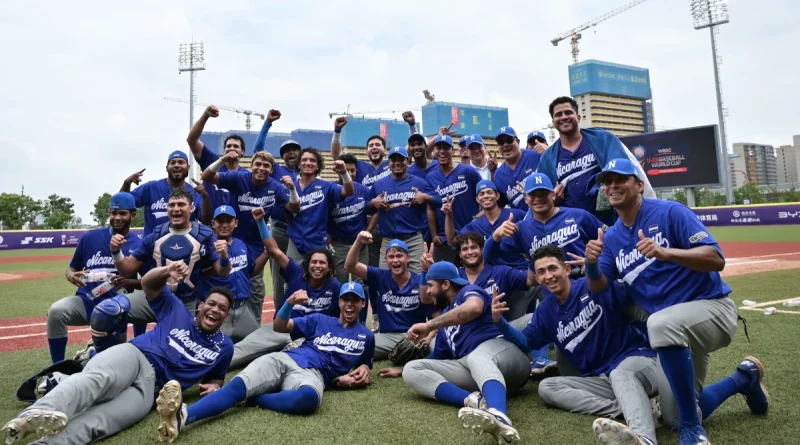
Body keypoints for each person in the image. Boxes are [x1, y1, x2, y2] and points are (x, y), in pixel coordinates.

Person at [584, 159, 770, 444]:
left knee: (658, 323)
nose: (611, 186)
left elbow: (716, 259)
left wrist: (666, 253)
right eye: (606, 182)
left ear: (639, 185)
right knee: (673, 417)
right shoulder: (612, 238)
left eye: (619, 179)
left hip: (713, 310)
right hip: (673, 332)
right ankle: (744, 379)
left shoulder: (671, 212)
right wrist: (592, 264)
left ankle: (694, 431)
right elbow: (600, 289)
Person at [1, 262, 234, 445]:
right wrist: (166, 271)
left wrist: (214, 386)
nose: (215, 310)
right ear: (202, 305)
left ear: (226, 317)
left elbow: (214, 378)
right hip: (136, 356)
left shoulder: (224, 347)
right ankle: (31, 417)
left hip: (150, 391)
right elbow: (150, 285)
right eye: (211, 304)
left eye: (222, 309)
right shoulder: (178, 311)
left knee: (104, 421)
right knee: (97, 380)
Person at [154, 282, 375, 442]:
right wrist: (288, 303)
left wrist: (362, 371)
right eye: (346, 299)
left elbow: (364, 367)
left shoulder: (367, 337)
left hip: (312, 374)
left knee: (309, 399)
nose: (349, 304)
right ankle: (183, 418)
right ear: (339, 301)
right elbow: (280, 325)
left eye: (355, 301)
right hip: (285, 358)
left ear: (363, 304)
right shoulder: (320, 319)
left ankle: (256, 399)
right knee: (237, 386)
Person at [493, 245, 661, 445]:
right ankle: (631, 408)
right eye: (541, 272)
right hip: (603, 379)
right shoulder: (546, 310)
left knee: (620, 373)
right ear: (537, 279)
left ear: (565, 269)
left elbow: (629, 291)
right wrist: (499, 322)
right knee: (548, 387)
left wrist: (595, 268)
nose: (548, 275)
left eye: (552, 268)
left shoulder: (591, 285)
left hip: (639, 362)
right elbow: (526, 342)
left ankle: (645, 439)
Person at [402, 262, 530, 445]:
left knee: (477, 357)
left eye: (430, 285)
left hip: (506, 356)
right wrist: (400, 370)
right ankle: (475, 402)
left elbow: (474, 308)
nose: (428, 291)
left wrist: (429, 325)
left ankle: (500, 416)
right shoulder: (446, 321)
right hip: (475, 369)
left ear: (445, 284)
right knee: (411, 369)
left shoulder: (468, 291)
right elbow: (437, 359)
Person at [45, 193, 154, 368]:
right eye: (113, 213)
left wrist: (128, 282)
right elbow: (72, 268)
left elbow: (148, 283)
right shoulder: (90, 238)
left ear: (133, 215)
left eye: (123, 213)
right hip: (86, 301)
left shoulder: (140, 244)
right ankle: (57, 368)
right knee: (56, 312)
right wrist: (71, 276)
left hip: (117, 310)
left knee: (111, 363)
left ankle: (93, 353)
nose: (117, 217)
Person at [228, 209, 342, 369]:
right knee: (242, 350)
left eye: (322, 263)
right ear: (307, 265)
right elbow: (273, 250)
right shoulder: (296, 273)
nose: (317, 266)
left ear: (329, 267)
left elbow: (337, 320)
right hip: (281, 330)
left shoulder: (334, 286)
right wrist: (261, 222)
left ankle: (286, 352)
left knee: (289, 357)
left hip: (309, 339)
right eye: (313, 262)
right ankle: (207, 365)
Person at [200, 149, 298, 320]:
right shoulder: (239, 178)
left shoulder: (274, 187)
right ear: (251, 167)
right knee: (226, 283)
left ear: (271, 169)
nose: (261, 168)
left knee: (254, 290)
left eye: (266, 166)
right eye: (258, 164)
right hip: (232, 241)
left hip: (256, 245)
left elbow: (294, 208)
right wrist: (222, 159)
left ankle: (251, 329)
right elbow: (207, 177)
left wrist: (292, 189)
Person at [535, 96, 655, 226]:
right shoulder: (547, 158)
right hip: (572, 227)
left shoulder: (602, 138)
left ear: (578, 117)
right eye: (558, 114)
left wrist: (598, 189)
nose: (564, 117)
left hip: (611, 221)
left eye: (568, 112)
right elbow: (540, 195)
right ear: (553, 122)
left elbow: (625, 172)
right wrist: (552, 199)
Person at [112, 189, 231, 314]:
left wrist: (224, 256)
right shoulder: (156, 235)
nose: (176, 209)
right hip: (156, 297)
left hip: (188, 302)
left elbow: (222, 272)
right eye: (171, 205)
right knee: (109, 310)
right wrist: (116, 252)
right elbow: (127, 269)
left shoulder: (205, 235)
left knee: (180, 332)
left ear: (191, 208)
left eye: (181, 204)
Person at [345, 233, 437, 359]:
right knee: (353, 345)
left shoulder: (419, 282)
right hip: (387, 337)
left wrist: (429, 337)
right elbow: (350, 266)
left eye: (399, 256)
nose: (395, 260)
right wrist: (358, 242)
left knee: (438, 348)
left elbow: (437, 317)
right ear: (386, 259)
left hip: (416, 335)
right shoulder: (380, 276)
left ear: (408, 258)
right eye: (391, 256)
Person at [484, 173, 605, 269]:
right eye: (533, 194)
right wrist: (496, 236)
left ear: (553, 195)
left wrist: (594, 263)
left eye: (543, 193)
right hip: (550, 290)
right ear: (526, 199)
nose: (538, 198)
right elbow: (487, 258)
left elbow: (610, 240)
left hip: (583, 280)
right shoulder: (520, 229)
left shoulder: (579, 215)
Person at [187, 104, 282, 210]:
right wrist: (205, 115)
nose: (232, 148)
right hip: (211, 222)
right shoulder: (212, 161)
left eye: (236, 146)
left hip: (235, 224)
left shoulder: (248, 176)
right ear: (224, 150)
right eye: (228, 146)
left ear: (242, 151)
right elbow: (192, 140)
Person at [198, 205, 270, 342]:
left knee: (262, 344)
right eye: (220, 221)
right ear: (213, 224)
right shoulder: (206, 247)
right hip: (219, 311)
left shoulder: (240, 244)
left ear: (235, 223)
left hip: (243, 310)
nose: (224, 225)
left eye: (228, 221)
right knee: (210, 349)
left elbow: (252, 271)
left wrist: (267, 253)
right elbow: (201, 275)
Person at [369, 146, 441, 272]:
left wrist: (426, 197)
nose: (397, 163)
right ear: (388, 163)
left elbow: (439, 201)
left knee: (419, 278)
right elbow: (366, 209)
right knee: (386, 280)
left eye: (401, 159)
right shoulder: (379, 184)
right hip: (388, 240)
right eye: (393, 160)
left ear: (408, 162)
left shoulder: (419, 182)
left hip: (413, 239)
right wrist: (372, 203)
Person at [286, 148, 353, 263]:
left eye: (312, 160)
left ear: (318, 166)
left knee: (319, 278)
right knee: (292, 278)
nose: (308, 163)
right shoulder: (289, 187)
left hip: (318, 241)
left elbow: (349, 191)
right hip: (295, 241)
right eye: (304, 160)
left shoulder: (326, 186)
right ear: (299, 164)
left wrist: (344, 173)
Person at [443, 180, 527, 270]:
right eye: (481, 194)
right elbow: (452, 241)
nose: (486, 196)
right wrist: (448, 215)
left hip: (519, 269)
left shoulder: (516, 215)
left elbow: (536, 222)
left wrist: (528, 198)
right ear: (477, 199)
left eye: (489, 192)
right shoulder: (475, 225)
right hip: (493, 275)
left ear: (497, 196)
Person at [426, 135, 483, 263]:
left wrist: (478, 218)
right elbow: (430, 208)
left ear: (453, 151)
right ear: (434, 151)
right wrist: (434, 234)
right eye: (438, 148)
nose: (442, 151)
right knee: (444, 278)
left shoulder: (469, 171)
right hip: (445, 238)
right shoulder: (431, 177)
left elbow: (486, 195)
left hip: (470, 234)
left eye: (446, 148)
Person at [121, 151, 203, 236]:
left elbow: (206, 220)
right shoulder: (151, 187)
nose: (177, 165)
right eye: (173, 162)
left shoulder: (195, 192)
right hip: (151, 246)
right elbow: (123, 203)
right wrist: (126, 183)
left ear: (188, 167)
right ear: (167, 168)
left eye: (181, 162)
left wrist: (206, 196)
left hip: (185, 245)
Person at [328, 153, 378, 289]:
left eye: (352, 170)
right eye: (346, 170)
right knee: (339, 283)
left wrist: (367, 232)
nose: (350, 173)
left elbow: (375, 213)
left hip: (360, 246)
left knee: (361, 284)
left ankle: (361, 310)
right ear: (338, 171)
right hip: (339, 245)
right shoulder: (331, 190)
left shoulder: (363, 190)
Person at [492, 126, 540, 211]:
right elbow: (499, 206)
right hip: (523, 221)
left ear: (518, 142)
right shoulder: (499, 175)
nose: (505, 144)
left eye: (509, 140)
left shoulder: (535, 155)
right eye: (501, 142)